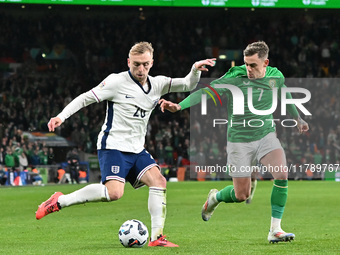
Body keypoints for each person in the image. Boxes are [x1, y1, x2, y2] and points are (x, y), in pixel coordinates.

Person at [35, 41, 215, 247]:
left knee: (159, 182)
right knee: (114, 193)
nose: (141, 69)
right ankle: (59, 201)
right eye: (136, 64)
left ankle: (157, 238)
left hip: (137, 148)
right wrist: (61, 116)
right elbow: (85, 98)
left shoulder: (158, 83)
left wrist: (195, 70)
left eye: (145, 64)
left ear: (152, 63)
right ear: (128, 62)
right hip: (113, 145)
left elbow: (187, 84)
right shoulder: (116, 82)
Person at [159, 41, 309, 243]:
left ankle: (275, 229)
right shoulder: (234, 76)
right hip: (239, 140)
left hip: (266, 135)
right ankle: (215, 198)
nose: (248, 69)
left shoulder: (276, 76)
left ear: (266, 63)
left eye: (253, 65)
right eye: (246, 64)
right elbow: (206, 92)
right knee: (241, 195)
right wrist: (179, 106)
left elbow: (285, 93)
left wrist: (298, 118)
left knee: (282, 174)